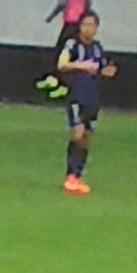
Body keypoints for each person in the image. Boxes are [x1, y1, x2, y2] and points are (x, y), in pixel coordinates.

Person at [58, 10, 116, 193]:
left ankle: (78, 174)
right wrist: (82, 66)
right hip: (76, 96)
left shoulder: (98, 48)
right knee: (78, 133)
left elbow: (101, 68)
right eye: (85, 24)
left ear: (97, 28)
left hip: (92, 97)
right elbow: (62, 64)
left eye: (91, 25)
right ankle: (71, 175)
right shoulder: (72, 44)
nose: (88, 28)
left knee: (87, 137)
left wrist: (106, 72)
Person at [36, 0, 90, 95]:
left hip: (71, 21)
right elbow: (86, 2)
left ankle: (58, 82)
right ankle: (59, 81)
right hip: (79, 22)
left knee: (61, 52)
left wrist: (51, 16)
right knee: (70, 53)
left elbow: (63, 1)